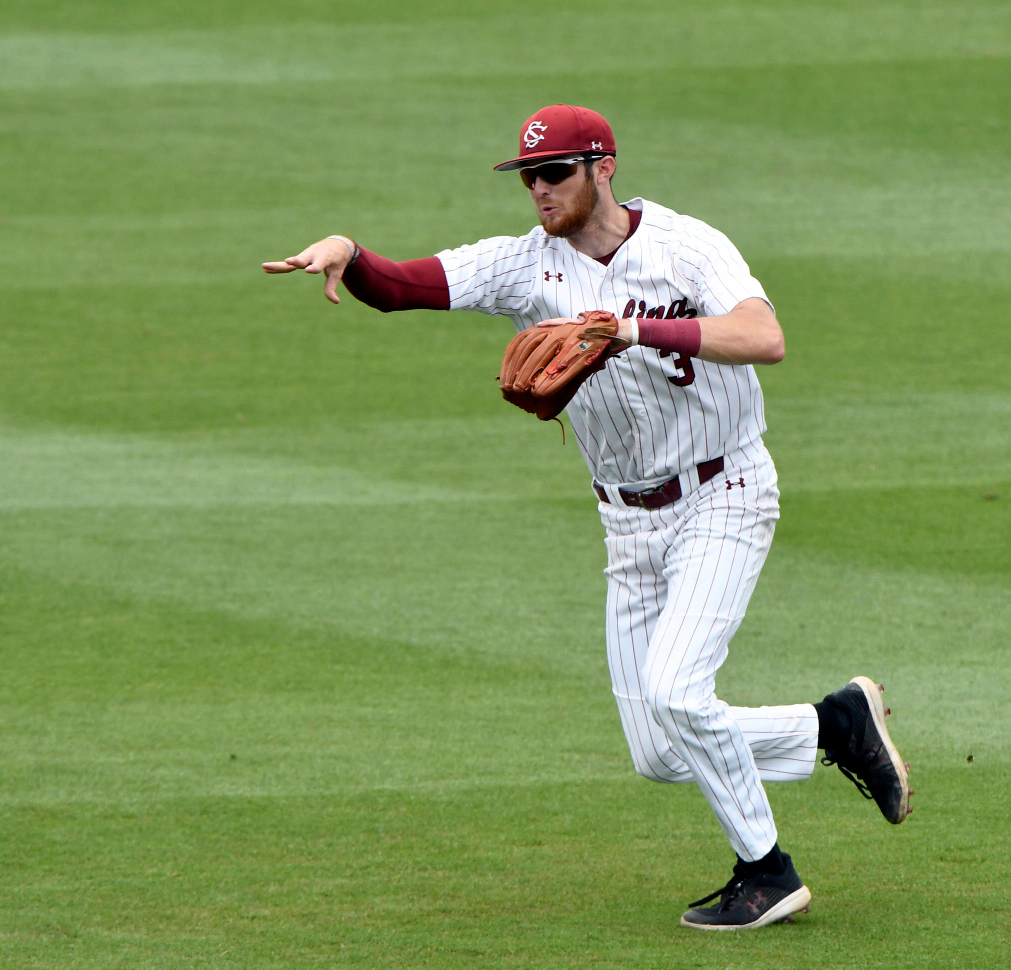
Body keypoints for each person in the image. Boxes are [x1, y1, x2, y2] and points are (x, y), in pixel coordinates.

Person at [262, 103, 912, 930]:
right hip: (627, 527)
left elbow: (764, 335)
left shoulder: (686, 245)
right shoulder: (524, 269)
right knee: (660, 752)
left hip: (724, 493)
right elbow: (399, 288)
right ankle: (832, 725)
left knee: (679, 689)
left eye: (555, 172)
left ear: (603, 167)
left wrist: (634, 331)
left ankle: (767, 872)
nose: (538, 189)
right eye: (527, 175)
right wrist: (349, 254)